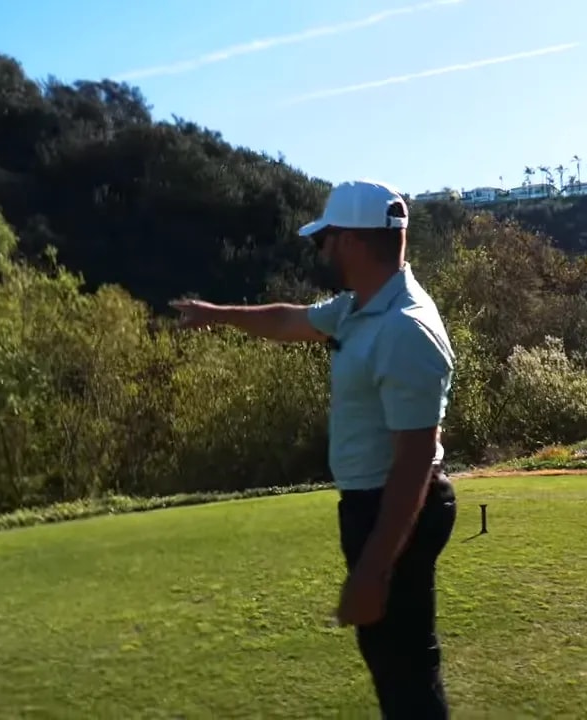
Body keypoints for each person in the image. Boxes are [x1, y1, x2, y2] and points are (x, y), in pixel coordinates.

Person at [169, 179, 458, 718]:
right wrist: (220, 314)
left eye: (324, 238)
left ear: (349, 241)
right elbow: (287, 319)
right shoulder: (359, 309)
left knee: (406, 669)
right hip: (375, 503)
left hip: (394, 507)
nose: (321, 249)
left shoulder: (403, 328)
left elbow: (414, 463)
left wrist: (372, 571)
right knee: (392, 662)